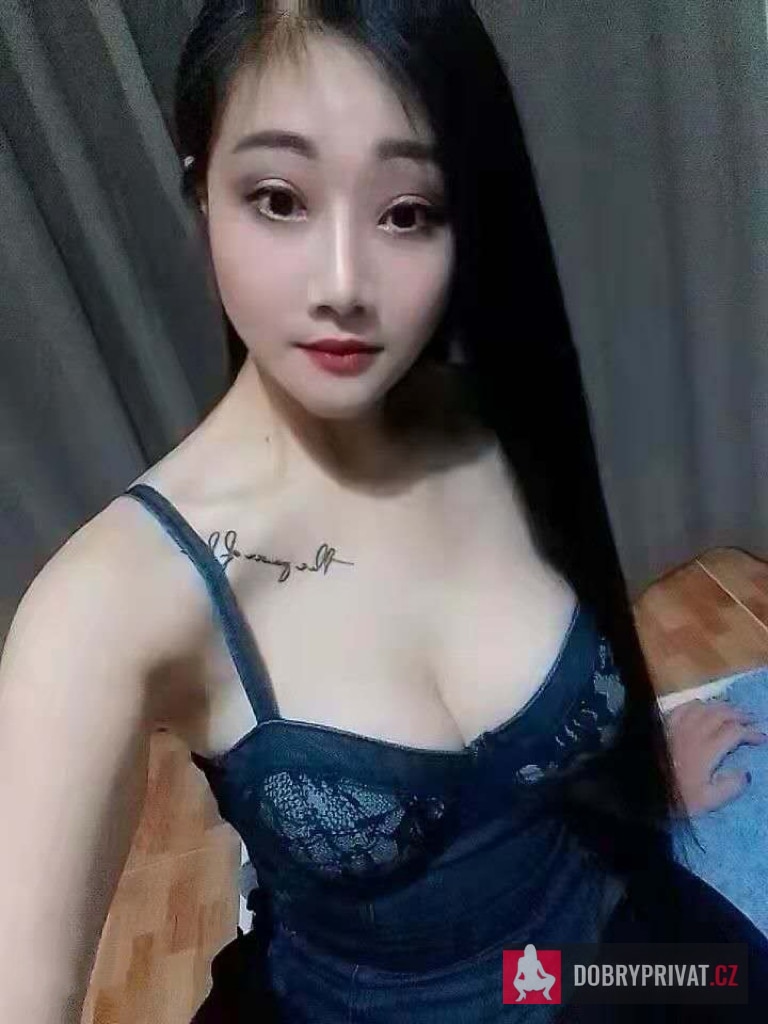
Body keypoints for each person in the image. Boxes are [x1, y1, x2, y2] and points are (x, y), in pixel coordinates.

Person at [1, 1, 767, 1021]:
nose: (343, 284)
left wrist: (635, 778)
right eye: (279, 199)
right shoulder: (107, 603)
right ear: (201, 188)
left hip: (594, 965)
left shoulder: (494, 423)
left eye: (407, 212)